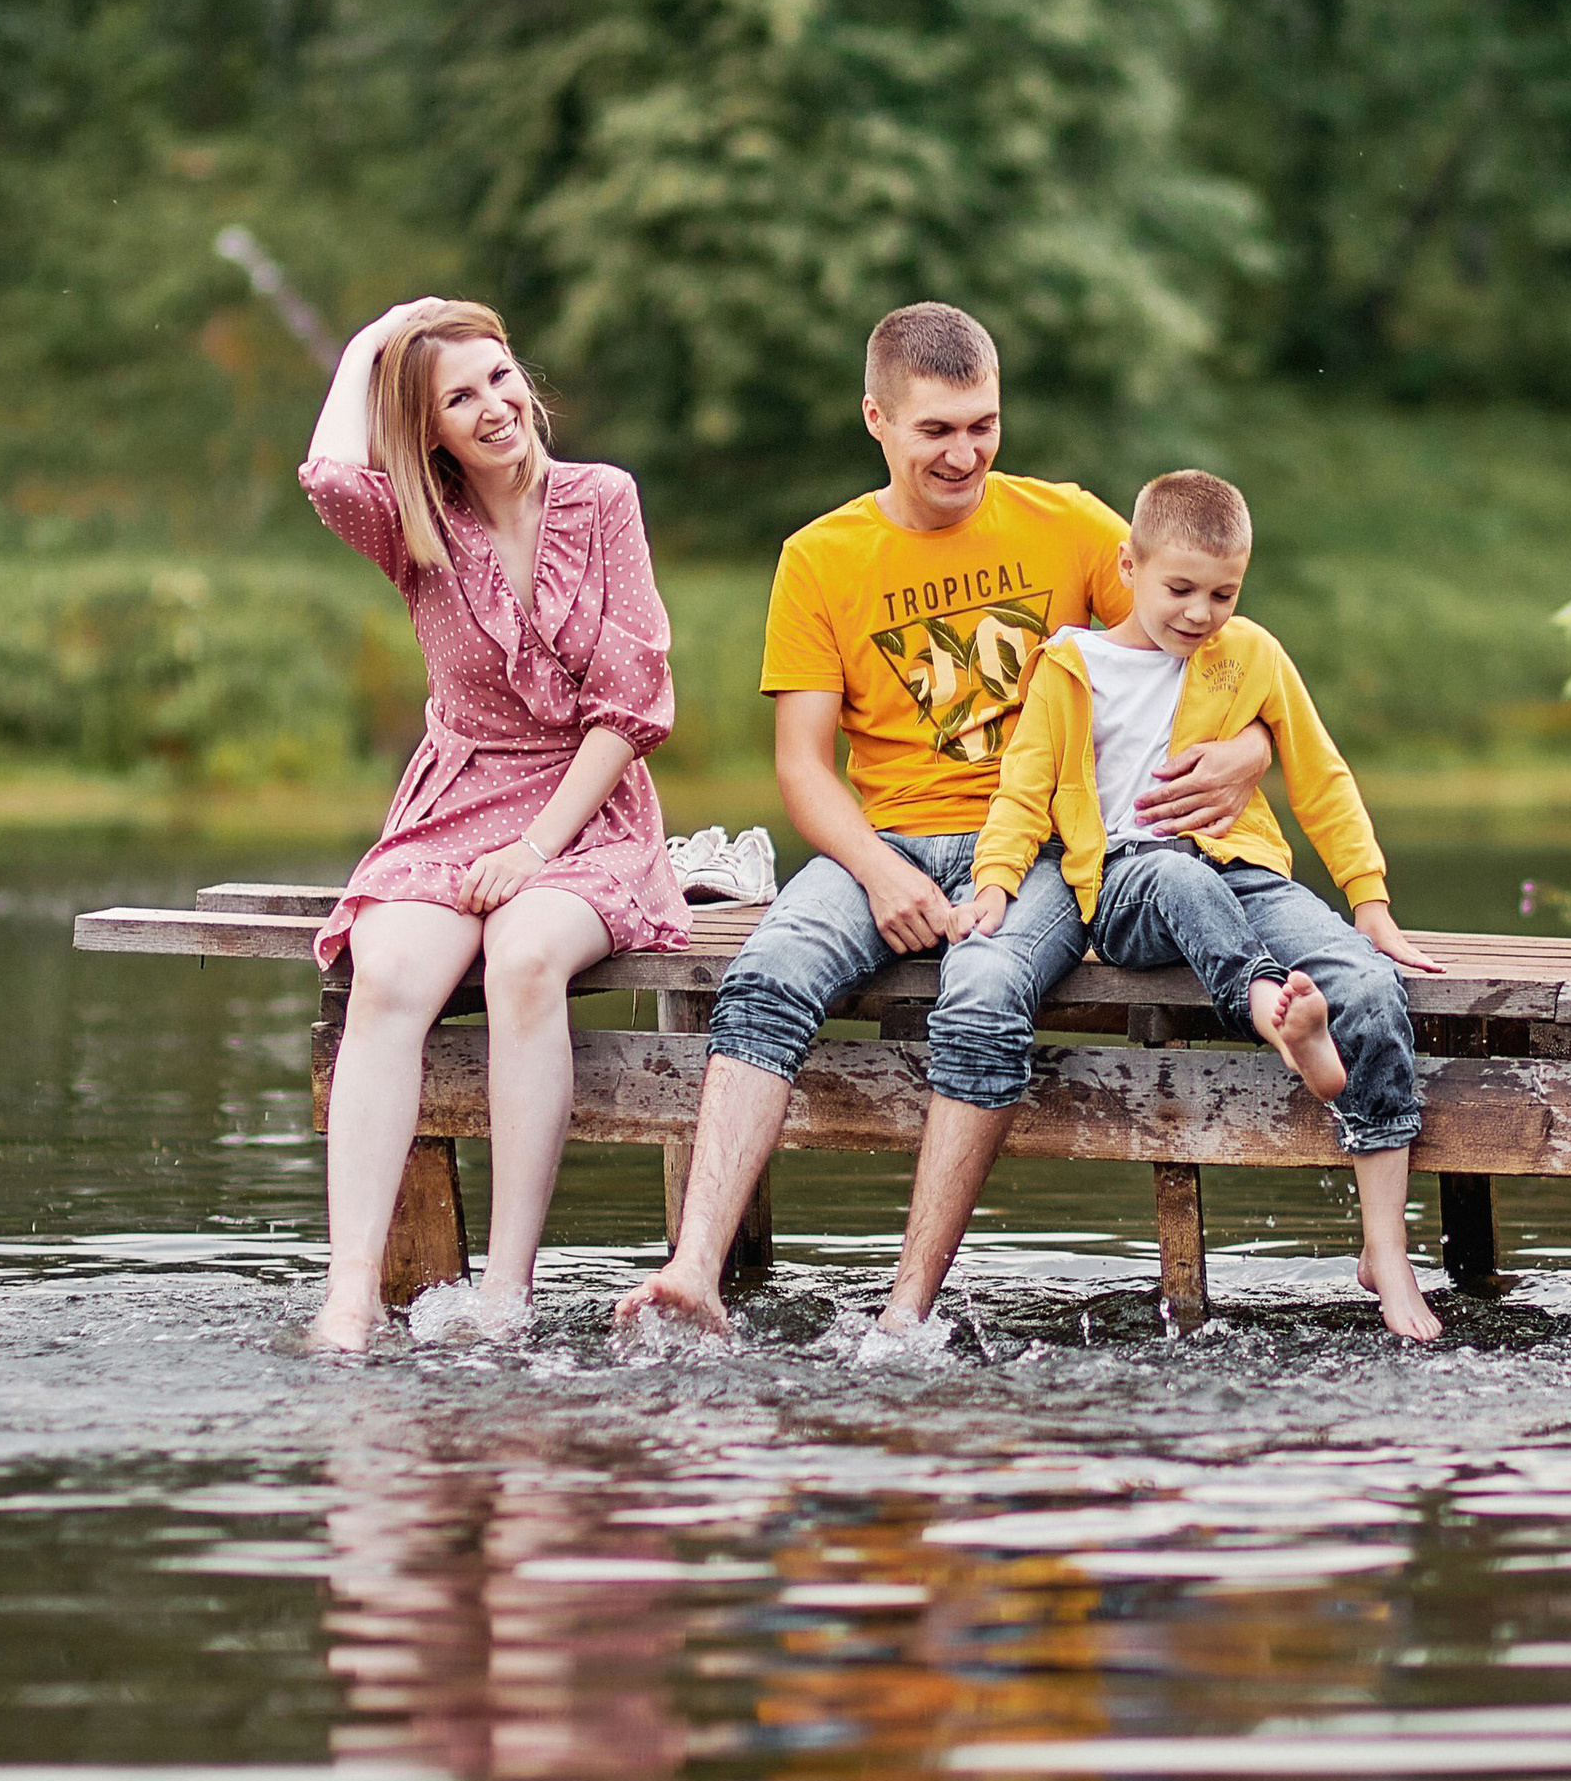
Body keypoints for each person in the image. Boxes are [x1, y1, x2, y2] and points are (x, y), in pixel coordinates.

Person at [615, 303, 1276, 1338]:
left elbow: (1214, 638)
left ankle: (901, 1318)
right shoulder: (820, 557)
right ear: (875, 417)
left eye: (983, 423)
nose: (964, 452)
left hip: (1042, 846)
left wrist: (1253, 751)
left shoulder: (1072, 527)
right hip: (879, 839)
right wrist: (879, 873)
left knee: (979, 996)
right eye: (936, 429)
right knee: (768, 974)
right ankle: (692, 1275)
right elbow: (802, 767)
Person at [958, 468, 1448, 1341]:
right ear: (1129, 565)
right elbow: (1022, 791)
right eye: (1179, 589)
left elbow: (1322, 777)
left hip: (1243, 873)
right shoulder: (1071, 667)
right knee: (1180, 880)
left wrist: (1370, 905)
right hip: (1128, 886)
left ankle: (1385, 1251)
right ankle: (1274, 1012)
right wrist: (994, 883)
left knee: (1368, 987)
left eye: (1223, 593)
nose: (1200, 613)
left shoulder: (1251, 655)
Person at [301, 297, 691, 1351]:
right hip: (456, 800)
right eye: (458, 397)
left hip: (587, 807)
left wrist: (533, 853)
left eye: (500, 378)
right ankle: (348, 1296)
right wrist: (374, 338)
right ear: (427, 429)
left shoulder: (602, 499)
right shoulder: (415, 525)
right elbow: (329, 473)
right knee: (385, 976)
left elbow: (631, 708)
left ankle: (505, 1295)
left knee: (523, 958)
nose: (492, 406)